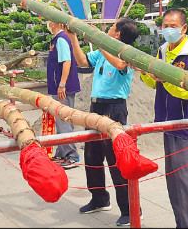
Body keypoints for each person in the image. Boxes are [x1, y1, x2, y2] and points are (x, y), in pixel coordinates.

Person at [66, 19, 140, 227]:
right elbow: (82, 62)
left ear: (117, 35)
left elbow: (119, 65)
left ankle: (130, 209)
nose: (108, 29)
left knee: (116, 161)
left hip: (114, 108)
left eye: (112, 27)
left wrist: (99, 41)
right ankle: (99, 199)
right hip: (96, 107)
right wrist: (72, 36)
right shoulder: (101, 52)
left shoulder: (126, 53)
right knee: (92, 156)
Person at [138, 8, 188, 228]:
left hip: (186, 123)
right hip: (168, 122)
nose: (168, 30)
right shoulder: (163, 50)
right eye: (165, 26)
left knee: (184, 180)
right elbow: (153, 83)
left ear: (184, 29)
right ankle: (181, 224)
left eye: (173, 26)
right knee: (173, 179)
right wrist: (143, 71)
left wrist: (164, 78)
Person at [46, 19, 81, 169]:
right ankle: (62, 152)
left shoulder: (61, 39)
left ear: (56, 23)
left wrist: (62, 84)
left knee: (64, 120)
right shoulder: (57, 39)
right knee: (60, 120)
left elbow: (66, 62)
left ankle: (71, 155)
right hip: (58, 86)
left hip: (62, 87)